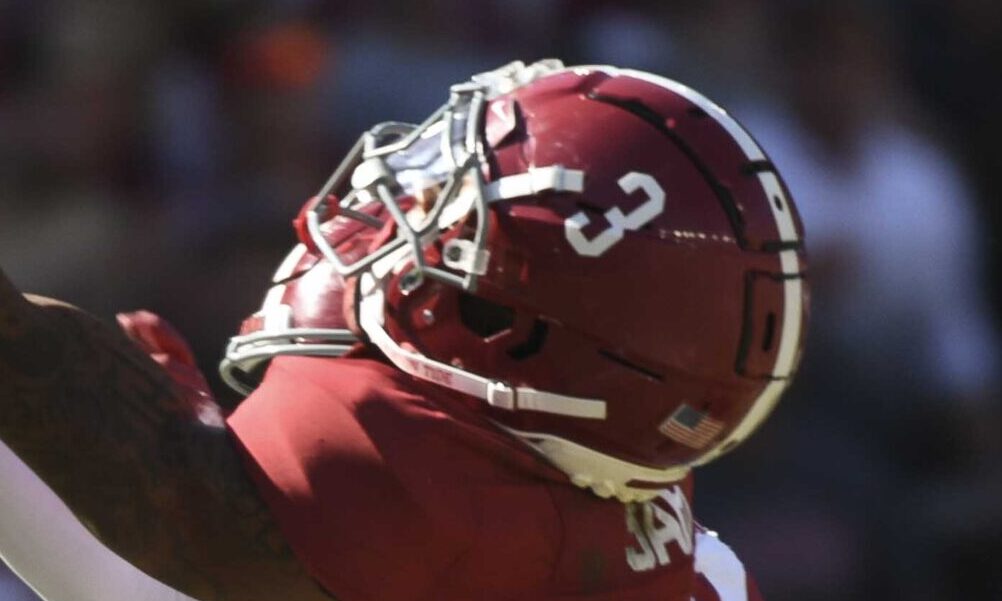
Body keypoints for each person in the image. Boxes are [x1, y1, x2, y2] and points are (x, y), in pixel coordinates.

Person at [0, 60, 805, 600]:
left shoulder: (416, 485)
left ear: (510, 334)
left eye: (455, 232)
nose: (399, 215)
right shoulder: (609, 477)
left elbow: (150, 521)